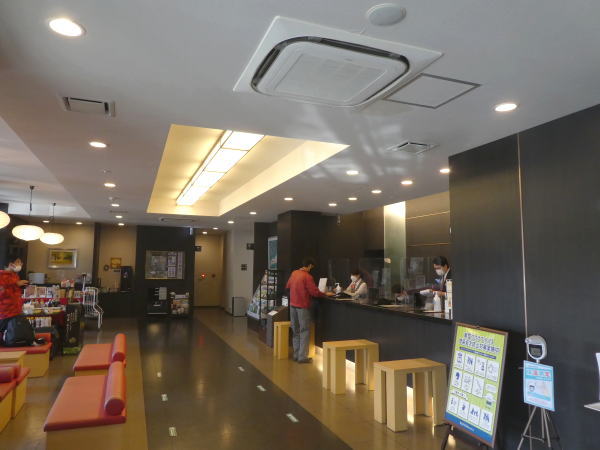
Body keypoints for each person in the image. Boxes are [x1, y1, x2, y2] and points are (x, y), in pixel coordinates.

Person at [285, 257, 332, 363]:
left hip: (292, 305)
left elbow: (288, 286)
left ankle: (296, 354)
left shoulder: (294, 273)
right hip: (302, 306)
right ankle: (302, 357)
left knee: (295, 331)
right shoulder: (307, 276)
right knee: (304, 331)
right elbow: (314, 292)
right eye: (312, 267)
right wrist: (325, 294)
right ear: (310, 265)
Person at [0, 256, 28, 336]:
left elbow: (14, 292)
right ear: (10, 264)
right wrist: (16, 285)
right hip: (5, 313)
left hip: (16, 311)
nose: (21, 264)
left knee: (13, 336)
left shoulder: (15, 276)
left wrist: (22, 288)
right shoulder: (1, 275)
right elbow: (1, 294)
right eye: (18, 262)